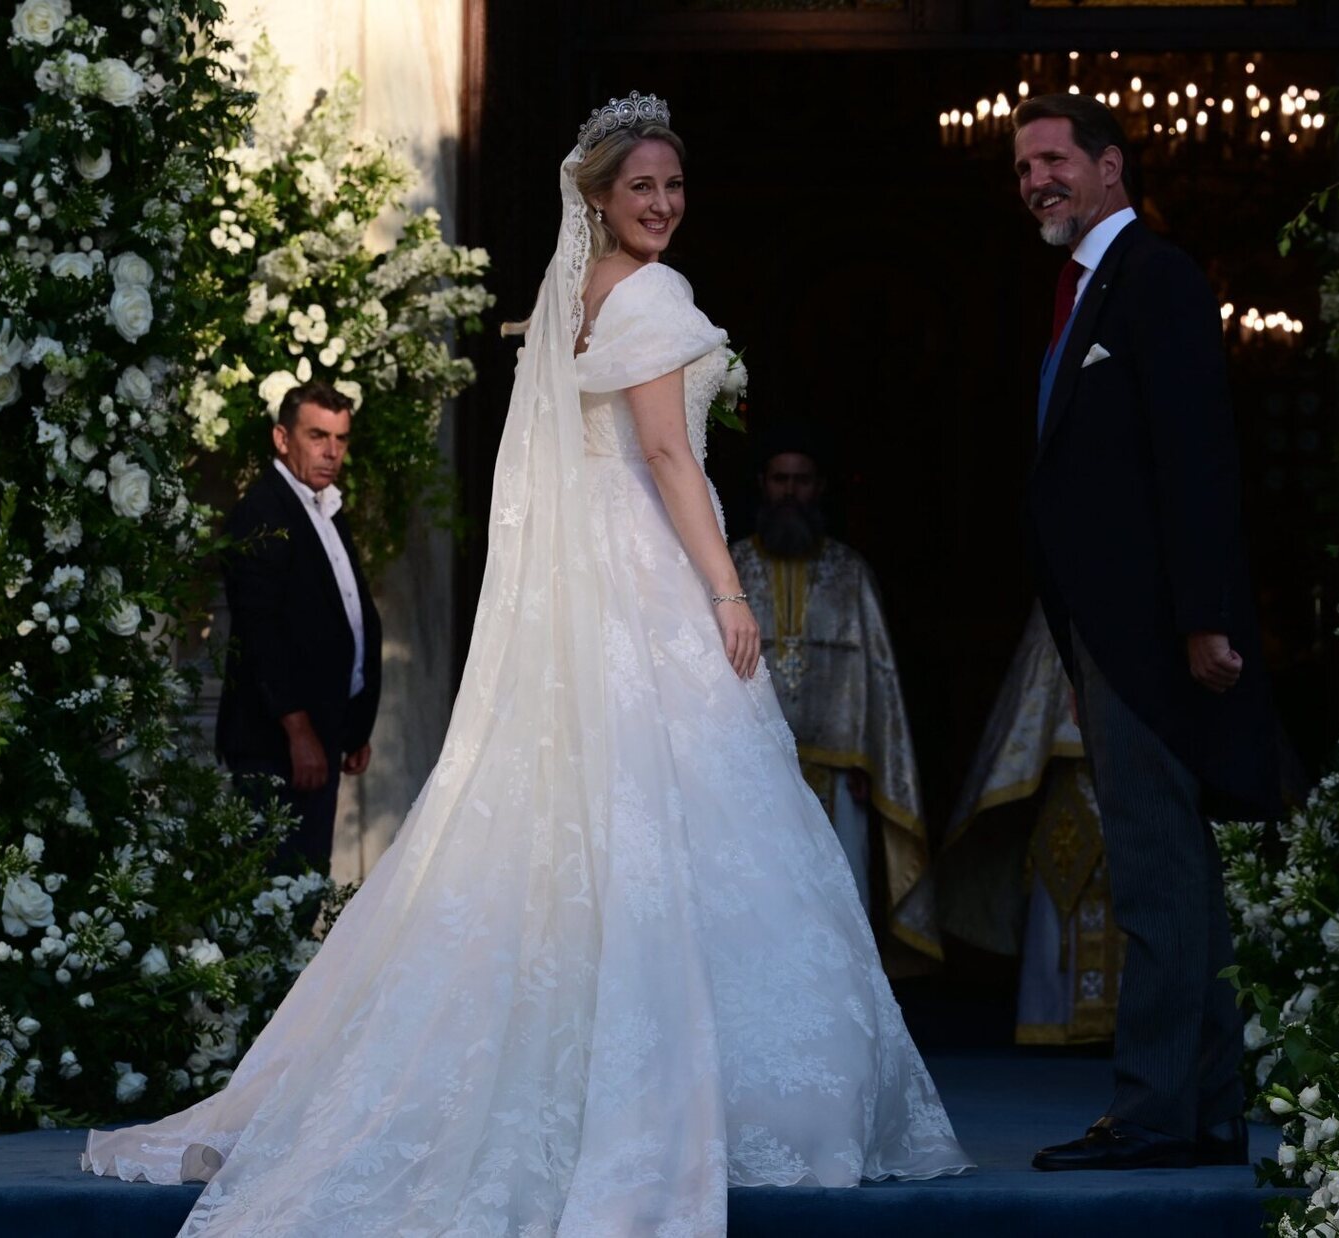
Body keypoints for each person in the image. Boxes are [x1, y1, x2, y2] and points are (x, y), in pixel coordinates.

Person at [86, 91, 970, 1233]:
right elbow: (663, 452)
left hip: (593, 571)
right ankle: (708, 1085)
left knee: (599, 807)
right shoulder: (649, 293)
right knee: (679, 797)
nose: (661, 203)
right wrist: (720, 588)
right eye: (640, 186)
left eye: (673, 185)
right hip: (649, 568)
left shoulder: (576, 299)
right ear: (597, 198)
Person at [1011, 93, 1280, 1172]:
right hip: (1107, 636)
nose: (1035, 180)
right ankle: (1205, 1105)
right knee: (1174, 872)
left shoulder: (1155, 278)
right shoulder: (1076, 289)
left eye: (1052, 160)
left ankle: (1155, 1111)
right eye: (1021, 166)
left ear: (1109, 166)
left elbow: (1194, 451)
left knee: (1156, 870)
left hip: (1154, 634)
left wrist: (1205, 618)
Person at [729, 428, 939, 969]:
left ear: (819, 487)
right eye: (781, 480)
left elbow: (879, 680)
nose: (790, 492)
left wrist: (872, 757)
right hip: (751, 768)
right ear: (762, 485)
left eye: (802, 480)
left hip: (841, 773)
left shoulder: (851, 573)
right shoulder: (730, 571)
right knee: (756, 897)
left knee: (838, 901)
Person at [215, 381, 383, 876]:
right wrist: (300, 731)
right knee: (272, 889)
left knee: (305, 881)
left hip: (324, 733)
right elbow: (260, 633)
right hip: (277, 744)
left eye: (341, 439)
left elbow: (345, 614)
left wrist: (356, 725)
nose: (332, 452)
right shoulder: (261, 514)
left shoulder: (325, 506)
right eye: (317, 436)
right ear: (282, 439)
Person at [940, 602, 1122, 1047]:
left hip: (1131, 773)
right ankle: (1052, 1019)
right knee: (1062, 883)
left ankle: (1130, 1028)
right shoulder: (1058, 602)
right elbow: (1031, 710)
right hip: (1067, 781)